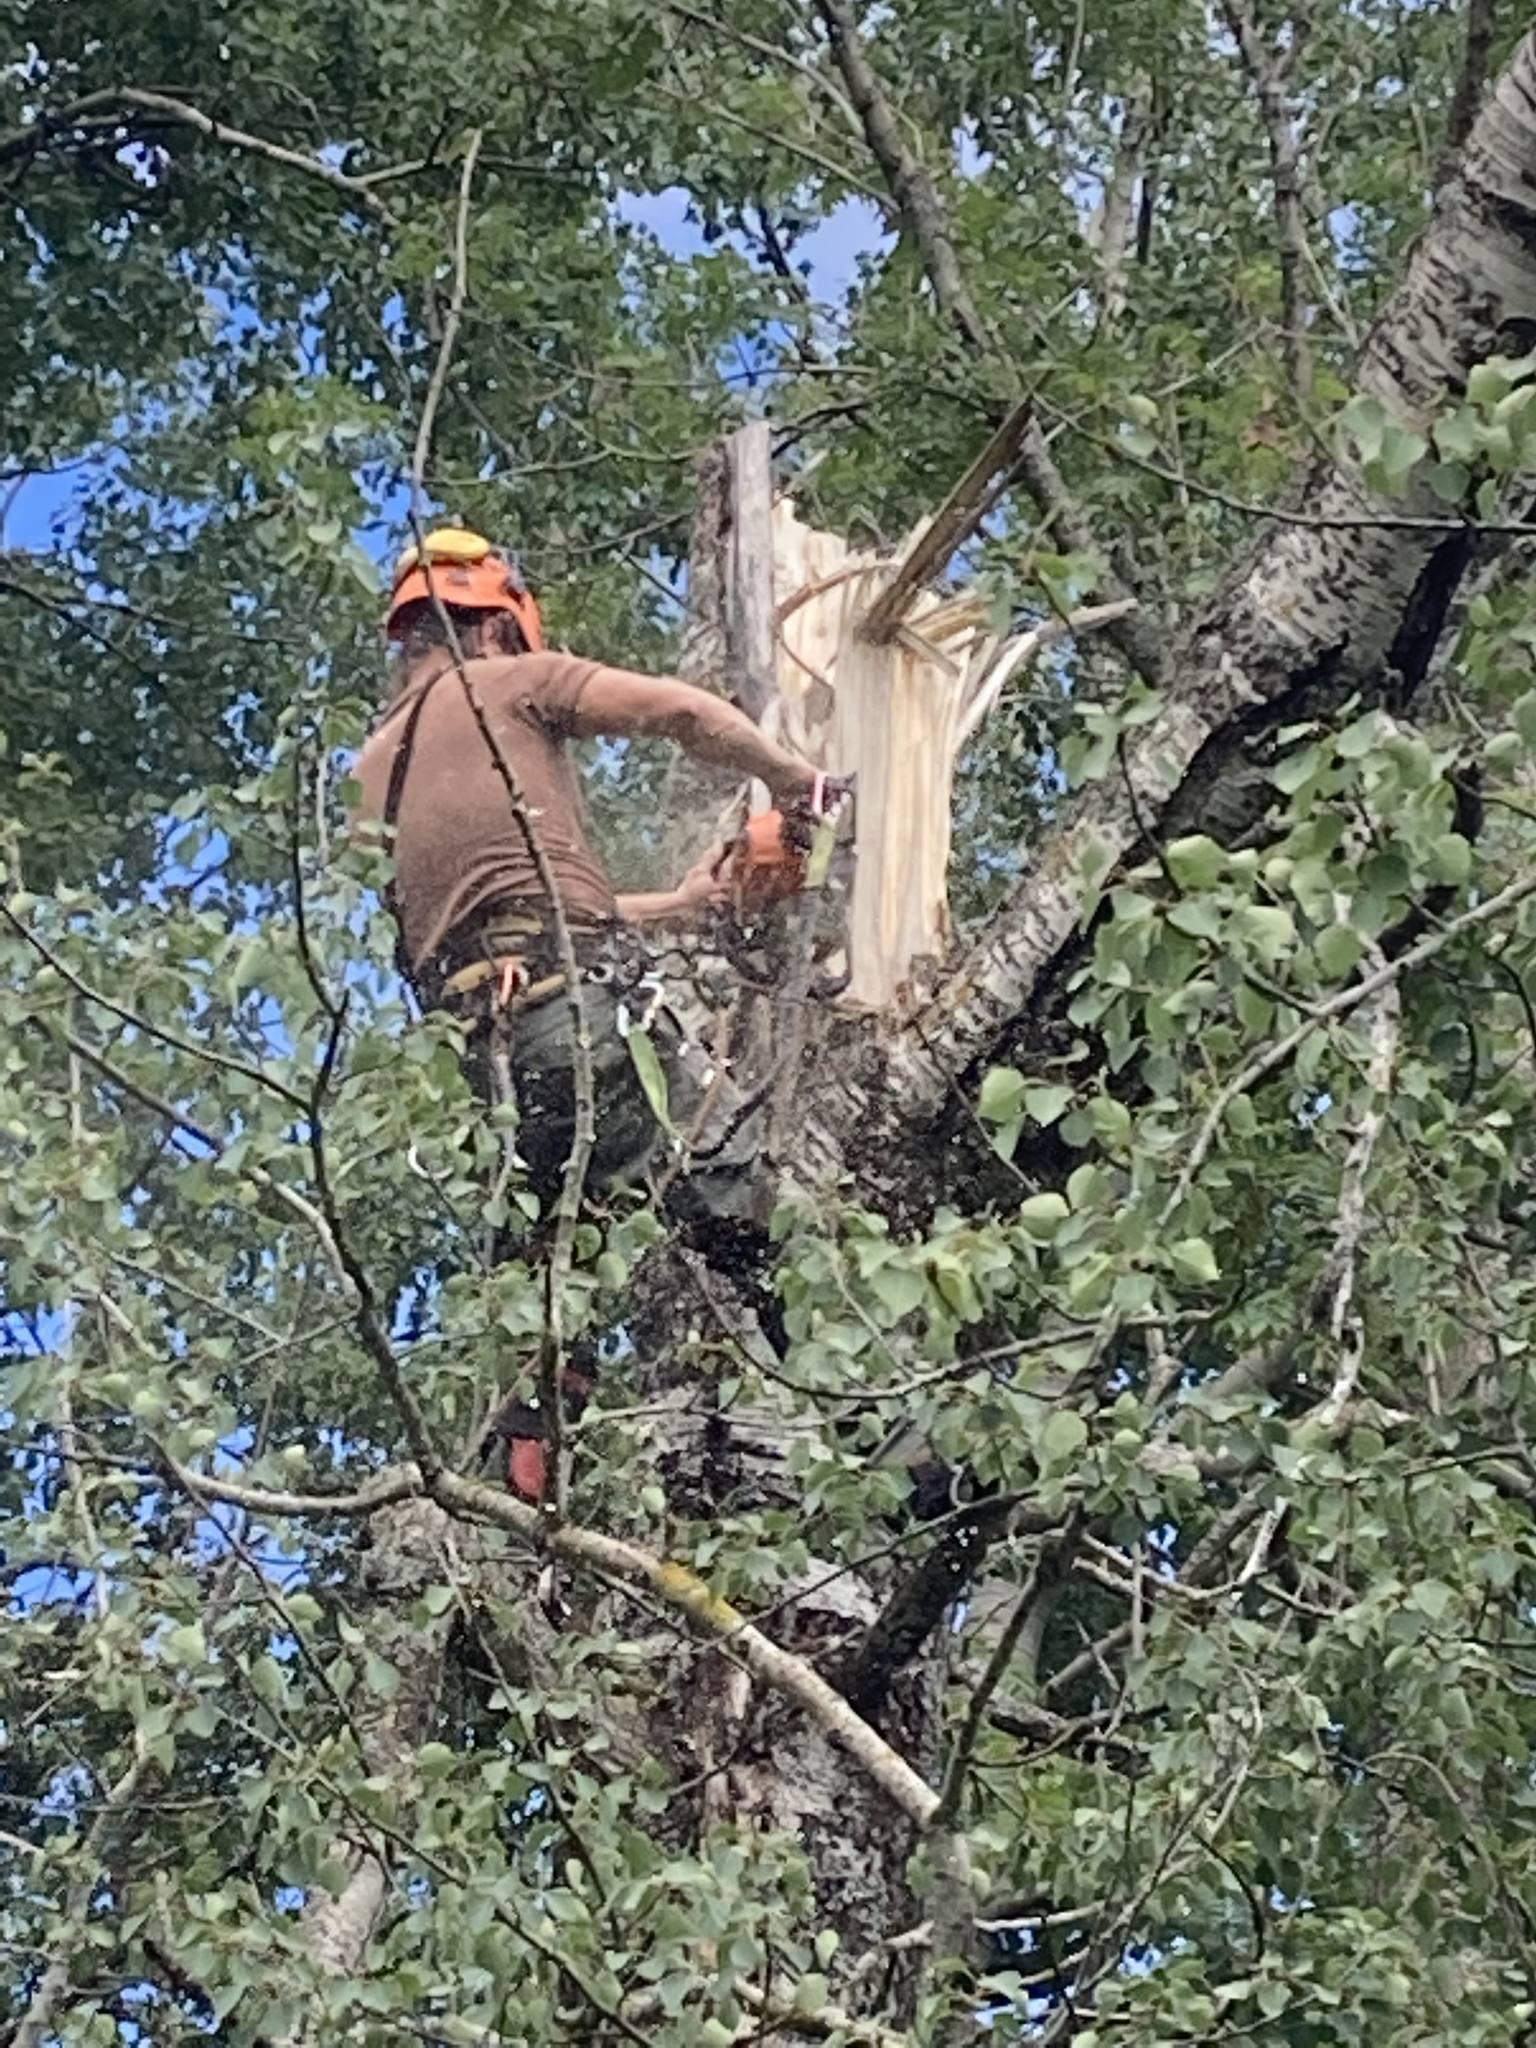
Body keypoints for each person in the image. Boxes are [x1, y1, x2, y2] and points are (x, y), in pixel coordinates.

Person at [352, 526, 829, 1220]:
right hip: (572, 1023)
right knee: (758, 1211)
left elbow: (503, 915)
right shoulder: (507, 681)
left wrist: (681, 904)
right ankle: (835, 1310)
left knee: (627, 1245)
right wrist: (801, 784)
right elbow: (682, 713)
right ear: (490, 629)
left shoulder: (366, 778)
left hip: (491, 1075)